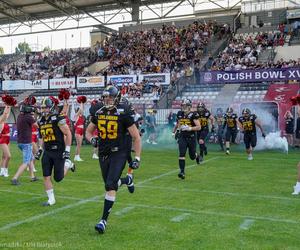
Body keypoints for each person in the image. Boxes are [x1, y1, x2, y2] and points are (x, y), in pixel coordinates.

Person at [85, 85, 141, 234]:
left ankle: (103, 221)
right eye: (105, 97)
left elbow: (136, 136)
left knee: (110, 185)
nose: (107, 100)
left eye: (110, 97)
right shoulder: (99, 111)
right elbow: (88, 132)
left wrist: (137, 158)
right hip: (104, 152)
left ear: (117, 98)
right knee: (110, 185)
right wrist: (92, 140)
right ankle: (126, 180)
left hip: (119, 152)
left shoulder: (123, 111)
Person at [37, 97, 75, 206]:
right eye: (42, 108)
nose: (43, 110)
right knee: (46, 176)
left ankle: (68, 164)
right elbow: (42, 137)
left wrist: (67, 150)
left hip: (58, 151)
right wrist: (40, 149)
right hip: (47, 151)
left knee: (58, 178)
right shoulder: (41, 120)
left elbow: (68, 133)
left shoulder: (58, 118)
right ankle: (51, 199)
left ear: (52, 108)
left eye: (46, 108)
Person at [172, 99, 201, 179]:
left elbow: (199, 127)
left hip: (191, 137)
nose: (184, 107)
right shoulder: (180, 113)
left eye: (186, 105)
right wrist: (174, 131)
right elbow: (178, 123)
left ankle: (197, 156)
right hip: (182, 137)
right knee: (182, 153)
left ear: (189, 106)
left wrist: (190, 128)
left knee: (192, 156)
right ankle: (182, 172)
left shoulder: (193, 114)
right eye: (183, 105)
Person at [11, 100, 38, 185]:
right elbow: (36, 126)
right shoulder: (28, 117)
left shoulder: (19, 116)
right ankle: (15, 178)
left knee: (30, 158)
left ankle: (32, 176)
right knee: (26, 161)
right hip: (26, 142)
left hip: (20, 142)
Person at [0, 105, 12, 178]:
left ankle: (2, 171)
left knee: (4, 156)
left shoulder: (4, 120)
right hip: (2, 139)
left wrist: (9, 106)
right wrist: (7, 106)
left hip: (7, 139)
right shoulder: (1, 120)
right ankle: (5, 170)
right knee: (8, 156)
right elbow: (5, 114)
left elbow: (7, 114)